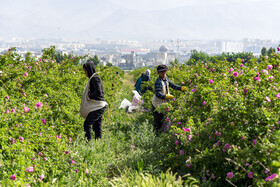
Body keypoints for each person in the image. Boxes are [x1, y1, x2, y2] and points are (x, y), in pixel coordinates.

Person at [151, 65, 186, 133]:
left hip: (163, 103)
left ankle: (161, 133)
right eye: (162, 72)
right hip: (157, 104)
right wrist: (165, 96)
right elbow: (157, 94)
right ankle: (156, 135)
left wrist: (180, 88)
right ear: (158, 73)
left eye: (165, 71)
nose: (163, 73)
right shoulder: (158, 81)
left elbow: (172, 85)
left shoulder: (166, 79)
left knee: (163, 119)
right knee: (158, 121)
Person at [80, 62, 107, 141]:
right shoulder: (94, 78)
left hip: (99, 106)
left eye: (85, 71)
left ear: (89, 70)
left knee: (87, 124)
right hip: (99, 106)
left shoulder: (95, 79)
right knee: (96, 126)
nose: (85, 73)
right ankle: (98, 143)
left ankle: (87, 143)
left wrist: (90, 96)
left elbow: (98, 92)